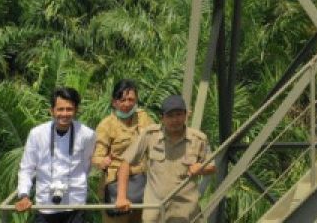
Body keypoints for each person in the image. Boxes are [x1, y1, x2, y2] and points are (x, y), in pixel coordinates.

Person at [115, 94, 215, 223]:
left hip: (186, 212)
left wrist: (201, 169)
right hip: (155, 211)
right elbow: (125, 163)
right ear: (162, 118)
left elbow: (212, 167)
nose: (175, 120)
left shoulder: (199, 139)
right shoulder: (150, 135)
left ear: (186, 115)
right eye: (170, 116)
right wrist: (122, 197)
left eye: (179, 114)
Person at [14, 86, 97, 223]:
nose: (64, 114)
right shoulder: (37, 134)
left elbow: (86, 165)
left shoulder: (87, 134)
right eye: (60, 109)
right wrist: (24, 195)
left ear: (76, 110)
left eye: (69, 109)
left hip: (75, 203)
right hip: (45, 203)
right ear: (52, 110)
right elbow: (27, 168)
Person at [93, 79, 155, 222]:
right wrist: (103, 161)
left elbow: (156, 138)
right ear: (114, 102)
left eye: (130, 99)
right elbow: (97, 157)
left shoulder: (143, 117)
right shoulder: (106, 125)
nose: (127, 104)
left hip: (142, 183)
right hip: (116, 186)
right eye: (122, 100)